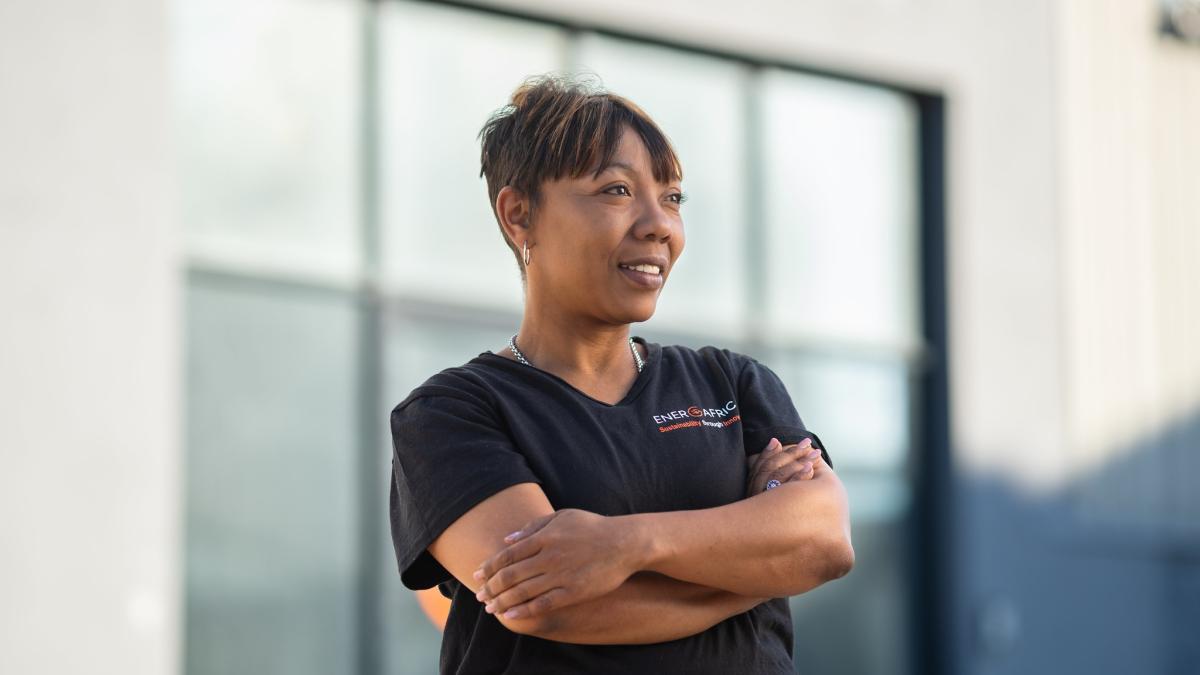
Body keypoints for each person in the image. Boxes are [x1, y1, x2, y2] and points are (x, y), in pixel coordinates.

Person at [388, 73, 854, 674]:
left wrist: (624, 545)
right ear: (519, 214)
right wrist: (762, 563)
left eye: (674, 198)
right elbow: (551, 607)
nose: (659, 223)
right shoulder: (452, 414)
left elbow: (825, 540)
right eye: (616, 190)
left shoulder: (731, 385)